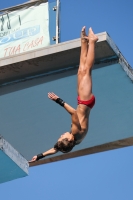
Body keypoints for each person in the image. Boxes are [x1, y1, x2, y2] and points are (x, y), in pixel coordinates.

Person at [29, 26, 98, 163]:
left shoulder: (71, 142)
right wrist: (58, 100)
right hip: (85, 101)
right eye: (62, 136)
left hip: (82, 101)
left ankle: (84, 41)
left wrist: (40, 156)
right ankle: (93, 41)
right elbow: (73, 113)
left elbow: (56, 149)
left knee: (80, 71)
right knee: (86, 70)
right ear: (69, 139)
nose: (61, 134)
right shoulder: (75, 132)